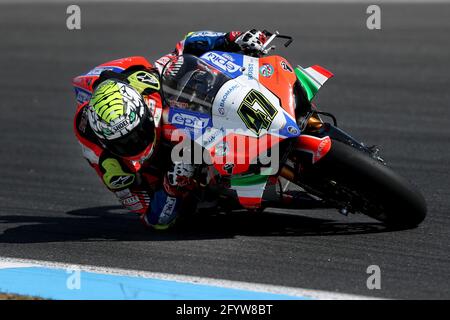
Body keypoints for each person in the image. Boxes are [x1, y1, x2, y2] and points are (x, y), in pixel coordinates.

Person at [73, 29, 268, 230]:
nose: (136, 142)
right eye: (125, 143)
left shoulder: (144, 81)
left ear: (143, 110)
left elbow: (185, 46)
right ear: (107, 143)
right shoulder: (111, 167)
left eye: (138, 133)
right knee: (201, 208)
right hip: (169, 172)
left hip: (152, 106)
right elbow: (152, 218)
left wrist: (230, 38)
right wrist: (171, 185)